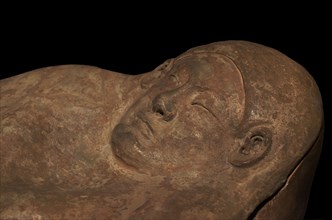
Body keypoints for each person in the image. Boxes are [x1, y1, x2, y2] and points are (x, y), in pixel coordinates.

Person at [0, 40, 323, 219]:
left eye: (200, 107)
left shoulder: (192, 210)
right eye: (174, 79)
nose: (163, 102)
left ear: (249, 148)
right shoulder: (65, 97)